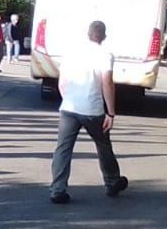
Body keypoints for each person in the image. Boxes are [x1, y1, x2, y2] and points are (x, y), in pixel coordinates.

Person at [49, 20, 128, 205]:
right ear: (104, 36)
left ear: (87, 34)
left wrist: (68, 99)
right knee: (103, 144)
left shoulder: (71, 53)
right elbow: (107, 83)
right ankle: (112, 181)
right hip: (92, 109)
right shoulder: (105, 54)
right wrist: (111, 113)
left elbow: (62, 82)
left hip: (69, 108)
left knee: (63, 148)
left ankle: (57, 189)